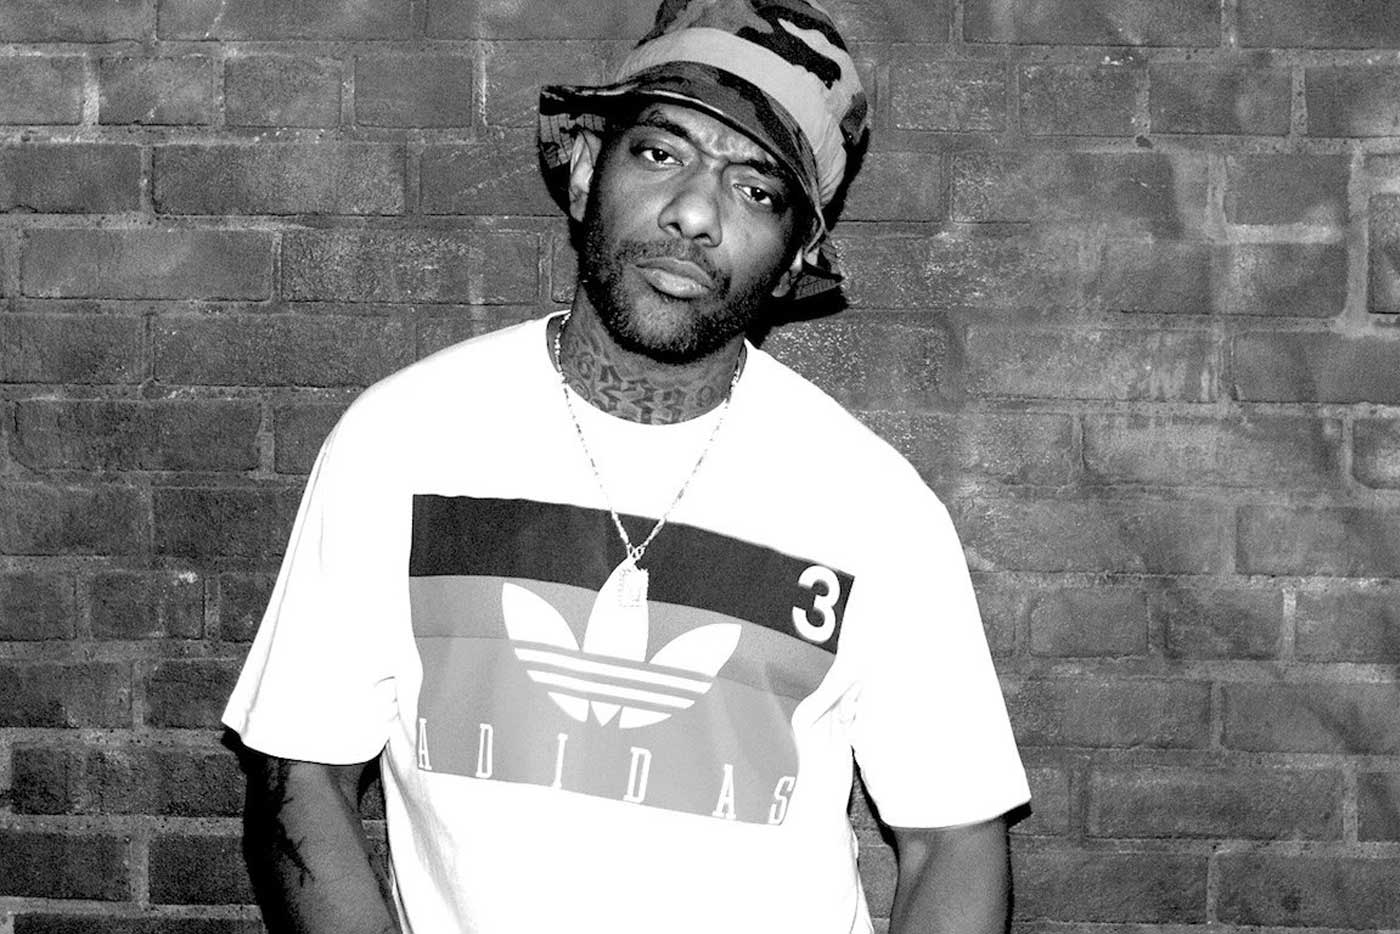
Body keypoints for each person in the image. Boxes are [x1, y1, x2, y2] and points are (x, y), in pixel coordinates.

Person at [223, 1, 1030, 931]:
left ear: (794, 258)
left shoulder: (875, 505)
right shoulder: (402, 441)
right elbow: (301, 774)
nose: (695, 213)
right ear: (582, 172)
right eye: (660, 152)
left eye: (757, 190)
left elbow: (953, 841)